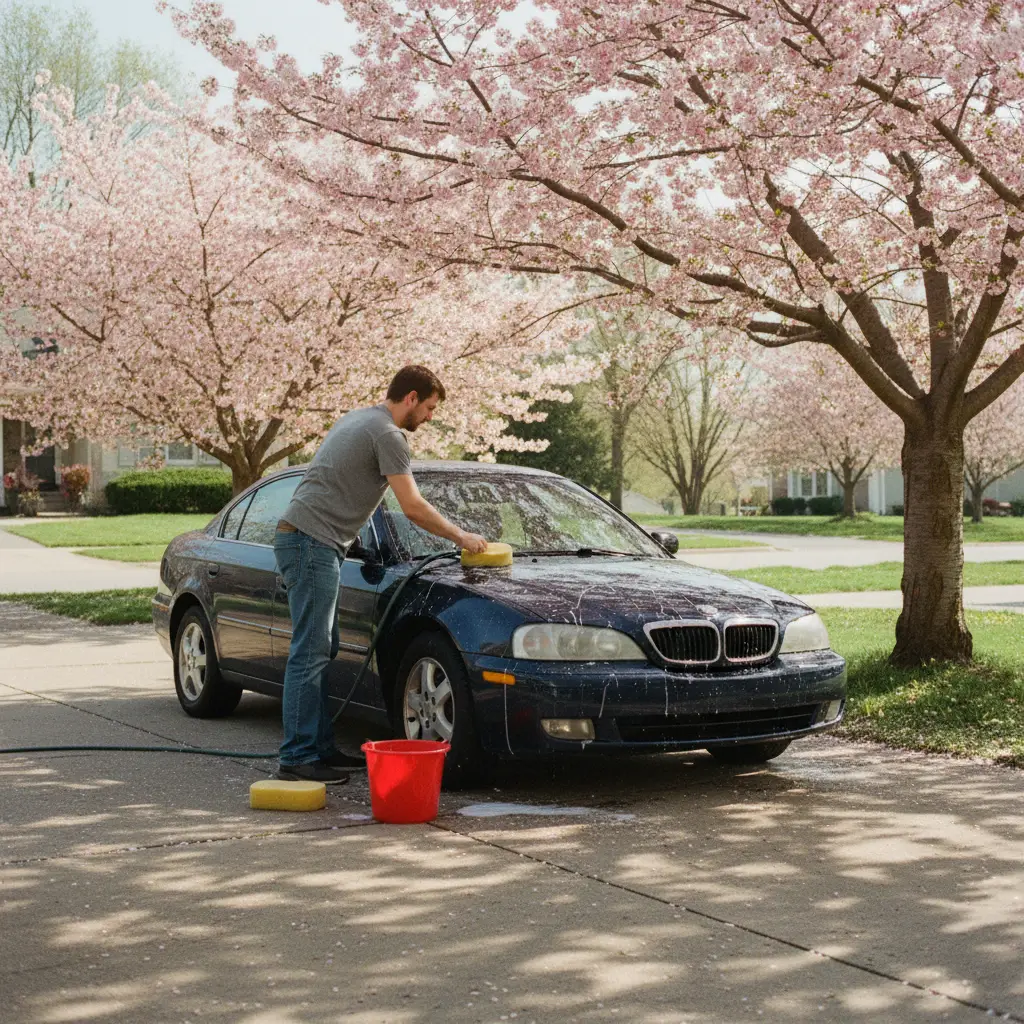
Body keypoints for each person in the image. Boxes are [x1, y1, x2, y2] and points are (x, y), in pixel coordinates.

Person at [273, 365, 488, 784]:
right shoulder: (389, 434)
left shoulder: (359, 418)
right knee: (310, 651)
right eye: (428, 408)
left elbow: (338, 482)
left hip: (309, 540)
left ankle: (318, 749)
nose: (429, 417)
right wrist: (461, 536)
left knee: (322, 647)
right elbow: (412, 505)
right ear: (410, 397)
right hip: (310, 543)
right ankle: (297, 757)